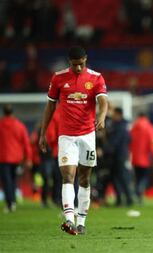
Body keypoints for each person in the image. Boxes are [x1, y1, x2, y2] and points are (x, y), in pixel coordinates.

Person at [39, 46, 108, 235]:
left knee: (85, 178)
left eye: (81, 64)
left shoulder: (96, 78)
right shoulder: (58, 78)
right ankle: (69, 219)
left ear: (86, 59)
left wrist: (101, 117)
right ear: (69, 62)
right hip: (66, 136)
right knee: (68, 176)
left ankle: (81, 221)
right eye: (74, 65)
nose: (78, 68)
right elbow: (50, 107)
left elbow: (103, 101)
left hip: (87, 135)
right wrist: (43, 133)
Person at [0, 104, 32, 213]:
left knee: (7, 181)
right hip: (17, 158)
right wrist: (28, 158)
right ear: (12, 112)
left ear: (3, 112)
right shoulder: (19, 125)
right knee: (13, 180)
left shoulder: (1, 124)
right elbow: (26, 143)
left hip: (3, 158)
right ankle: (12, 202)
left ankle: (10, 203)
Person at [129, 112, 153, 204]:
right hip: (146, 158)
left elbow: (129, 142)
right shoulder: (150, 127)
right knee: (144, 178)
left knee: (138, 177)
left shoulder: (134, 128)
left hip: (134, 158)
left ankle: (138, 194)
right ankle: (138, 190)